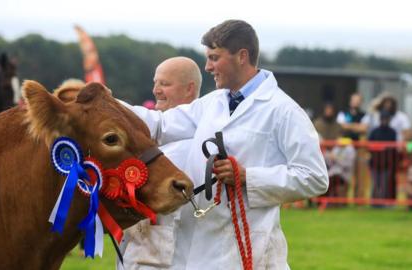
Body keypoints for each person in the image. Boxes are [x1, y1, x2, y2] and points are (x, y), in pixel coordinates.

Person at [122, 20, 328, 270]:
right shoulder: (213, 103)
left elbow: (315, 177)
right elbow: (161, 124)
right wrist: (107, 107)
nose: (208, 67)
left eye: (214, 58)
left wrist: (247, 177)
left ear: (242, 56)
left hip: (249, 247)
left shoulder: (283, 111)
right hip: (196, 248)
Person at [120, 56, 202, 269]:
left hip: (168, 256)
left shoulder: (196, 143)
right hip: (139, 250)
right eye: (155, 82)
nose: (156, 90)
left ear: (189, 89)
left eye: (165, 84)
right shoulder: (151, 135)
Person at [368, 110, 398, 205]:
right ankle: (375, 202)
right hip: (375, 162)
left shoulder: (392, 132)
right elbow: (369, 145)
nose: (384, 121)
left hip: (387, 163)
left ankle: (384, 202)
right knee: (376, 183)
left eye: (386, 119)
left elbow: (393, 147)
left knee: (385, 184)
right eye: (383, 119)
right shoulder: (374, 132)